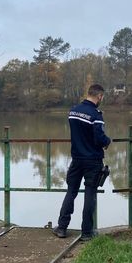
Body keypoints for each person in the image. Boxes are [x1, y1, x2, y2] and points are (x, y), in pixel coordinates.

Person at [53, 84, 111, 241]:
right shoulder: (95, 115)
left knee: (71, 191)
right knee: (90, 194)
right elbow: (99, 138)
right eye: (102, 97)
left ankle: (62, 228)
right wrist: (107, 141)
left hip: (76, 158)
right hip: (92, 160)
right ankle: (86, 233)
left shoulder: (73, 111)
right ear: (99, 96)